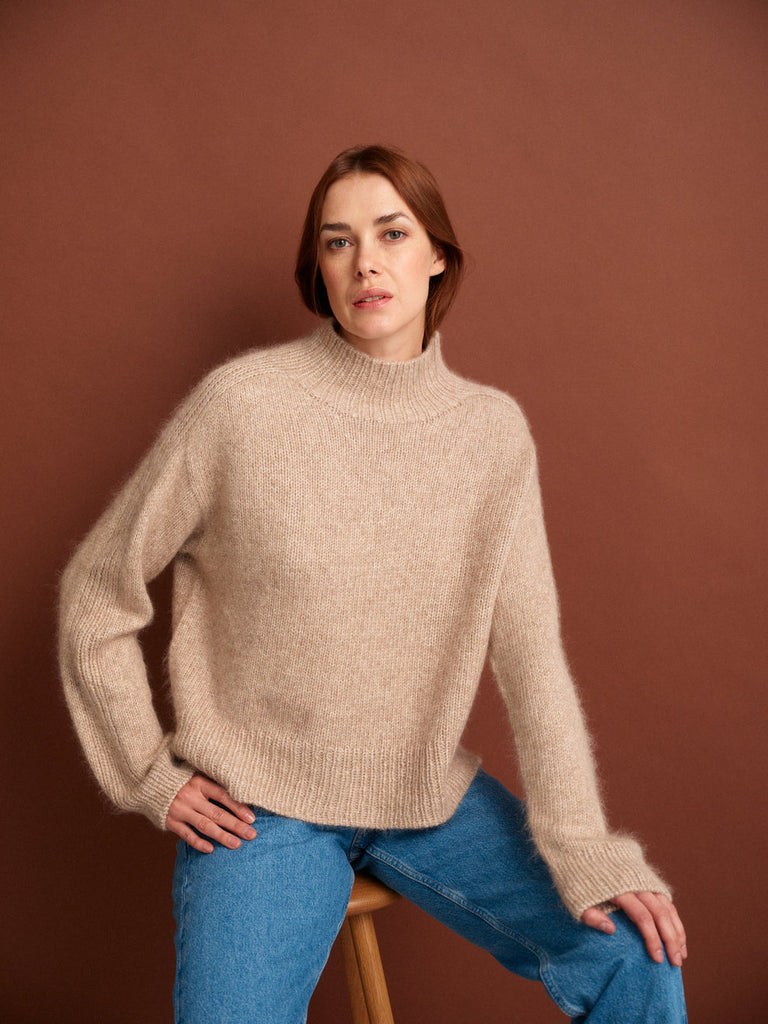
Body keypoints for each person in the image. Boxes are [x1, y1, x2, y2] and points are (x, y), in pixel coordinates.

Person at [59, 144, 688, 1023]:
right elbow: (97, 593)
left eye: (392, 232)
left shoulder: (490, 435)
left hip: (425, 791)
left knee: (637, 958)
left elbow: (532, 661)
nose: (366, 262)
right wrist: (146, 774)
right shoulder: (242, 406)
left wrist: (582, 846)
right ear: (318, 269)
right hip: (261, 808)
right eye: (337, 240)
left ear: (437, 254)